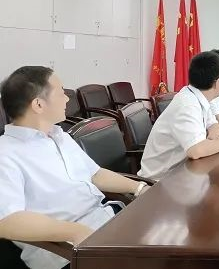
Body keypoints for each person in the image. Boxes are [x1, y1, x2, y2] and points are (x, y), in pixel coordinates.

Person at [0, 66, 149, 269]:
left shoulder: (59, 136)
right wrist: (74, 231)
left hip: (105, 221)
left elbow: (95, 174)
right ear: (38, 104)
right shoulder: (6, 154)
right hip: (65, 251)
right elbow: (8, 221)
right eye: (61, 92)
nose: (67, 99)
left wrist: (139, 188)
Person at [139, 51, 219, 180]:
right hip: (160, 182)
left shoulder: (198, 96)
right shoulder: (187, 104)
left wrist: (214, 138)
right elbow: (196, 151)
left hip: (184, 171)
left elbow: (214, 125)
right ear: (217, 82)